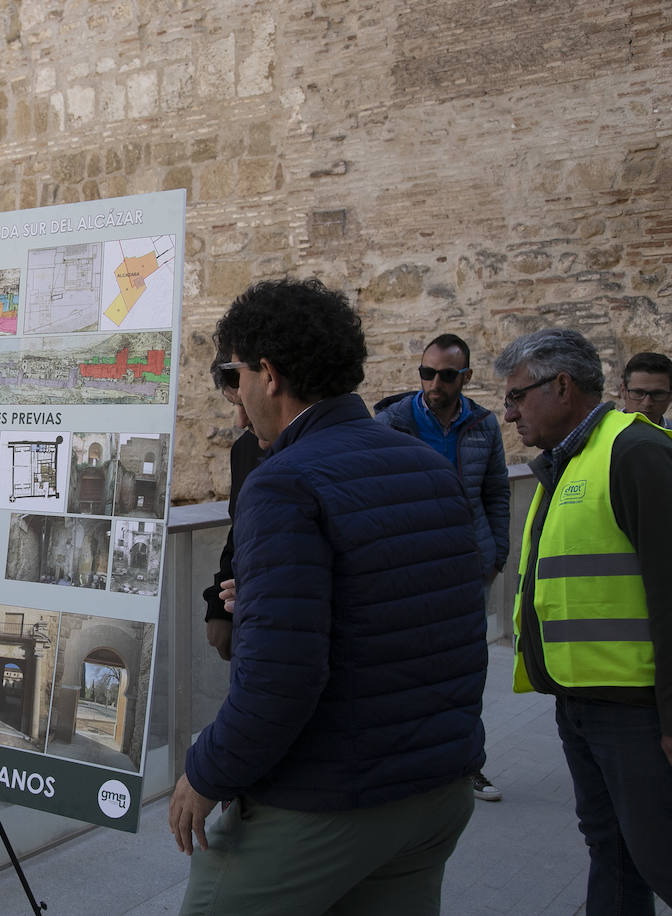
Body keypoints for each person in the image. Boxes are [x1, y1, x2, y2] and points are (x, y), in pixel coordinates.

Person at [170, 278, 488, 915]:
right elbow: (413, 608)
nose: (234, 402)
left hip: (333, 795)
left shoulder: (283, 482)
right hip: (436, 787)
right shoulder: (424, 464)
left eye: (232, 376)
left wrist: (207, 771)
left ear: (268, 372)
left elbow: (280, 680)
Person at [494, 328, 672, 915]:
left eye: (517, 397)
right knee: (614, 853)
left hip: (640, 713)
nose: (509, 413)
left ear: (562, 386)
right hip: (582, 704)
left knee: (669, 862)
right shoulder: (567, 461)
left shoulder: (635, 453)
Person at [374, 332, 510, 802]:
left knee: (467, 665)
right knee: (405, 663)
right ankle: (408, 763)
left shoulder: (484, 424)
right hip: (410, 566)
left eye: (446, 375)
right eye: (427, 372)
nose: (434, 383)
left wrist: (497, 554)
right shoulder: (391, 421)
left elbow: (496, 491)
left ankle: (468, 765)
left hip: (468, 566)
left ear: (465, 377)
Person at [201, 359, 267, 660]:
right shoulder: (245, 449)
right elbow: (239, 533)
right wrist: (218, 605)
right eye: (233, 405)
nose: (241, 421)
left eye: (245, 404)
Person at [619, 351, 672, 434]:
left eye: (657, 394)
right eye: (638, 393)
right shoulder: (602, 432)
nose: (647, 403)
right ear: (623, 391)